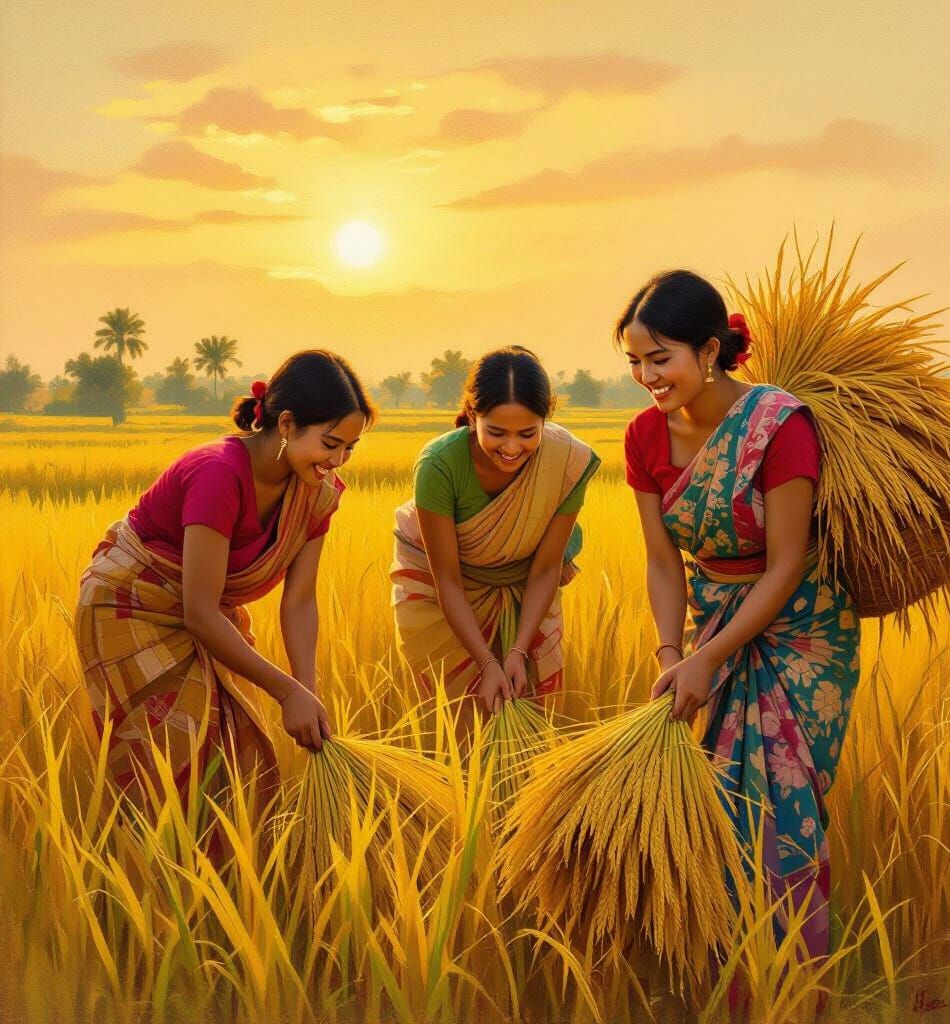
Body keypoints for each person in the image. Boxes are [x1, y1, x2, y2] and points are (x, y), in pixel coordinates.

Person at [617, 270, 861, 992]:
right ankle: (732, 989)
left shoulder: (779, 424)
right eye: (634, 361)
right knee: (722, 806)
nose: (646, 377)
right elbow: (663, 562)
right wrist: (671, 652)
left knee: (784, 806)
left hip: (801, 629)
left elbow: (786, 565)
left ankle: (793, 992)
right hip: (713, 619)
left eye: (660, 359)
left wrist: (706, 657)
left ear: (711, 350)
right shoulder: (643, 437)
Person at [74, 349, 375, 818]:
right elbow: (199, 609)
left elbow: (299, 601)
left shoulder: (317, 494)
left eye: (349, 448)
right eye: (331, 443)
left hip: (211, 618)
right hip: (133, 607)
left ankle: (228, 883)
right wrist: (286, 692)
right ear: (289, 424)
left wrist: (306, 693)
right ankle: (152, 881)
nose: (338, 460)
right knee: (173, 764)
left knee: (238, 760)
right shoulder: (218, 473)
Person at [391, 346, 601, 727]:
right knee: (458, 727)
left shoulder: (565, 461)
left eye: (527, 433)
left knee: (532, 723)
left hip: (529, 594)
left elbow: (545, 569)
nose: (511, 448)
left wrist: (518, 652)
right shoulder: (439, 465)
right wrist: (486, 662)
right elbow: (448, 580)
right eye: (496, 432)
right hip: (447, 604)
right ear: (472, 416)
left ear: (546, 418)